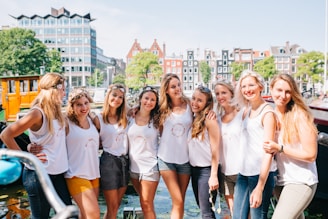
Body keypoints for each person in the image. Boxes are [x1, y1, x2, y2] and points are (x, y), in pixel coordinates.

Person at [0, 73, 72, 219]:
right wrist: (26, 158)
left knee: (69, 215)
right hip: (38, 175)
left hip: (57, 174)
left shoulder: (57, 111)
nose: (64, 93)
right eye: (63, 89)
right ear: (54, 90)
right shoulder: (37, 113)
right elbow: (6, 135)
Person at [263, 74, 318, 219]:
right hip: (280, 182)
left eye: (288, 91)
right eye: (279, 90)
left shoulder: (300, 116)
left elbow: (311, 155)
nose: (283, 95)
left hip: (301, 181)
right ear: (271, 89)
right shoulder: (270, 115)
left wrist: (280, 148)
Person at [232, 70, 277, 219]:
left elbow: (268, 151)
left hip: (260, 174)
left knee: (258, 216)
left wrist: (260, 186)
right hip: (244, 173)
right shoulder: (247, 110)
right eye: (243, 86)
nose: (247, 89)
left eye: (251, 85)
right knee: (238, 216)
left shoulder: (268, 113)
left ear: (260, 87)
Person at [157, 73, 194, 219]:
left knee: (180, 201)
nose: (177, 88)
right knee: (177, 199)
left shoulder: (190, 104)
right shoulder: (161, 108)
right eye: (173, 87)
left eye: (179, 85)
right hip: (166, 159)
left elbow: (205, 109)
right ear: (166, 90)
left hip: (185, 160)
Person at [92, 83, 129, 219]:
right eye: (114, 95)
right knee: (112, 206)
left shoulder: (125, 117)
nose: (117, 99)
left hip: (125, 162)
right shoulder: (98, 118)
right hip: (109, 162)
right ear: (108, 96)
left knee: (116, 206)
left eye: (121, 97)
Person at [64, 88, 100, 219]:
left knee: (85, 215)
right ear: (72, 106)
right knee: (94, 214)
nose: (84, 107)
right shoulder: (66, 122)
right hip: (76, 174)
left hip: (93, 173)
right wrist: (29, 145)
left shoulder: (92, 120)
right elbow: (50, 140)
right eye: (79, 104)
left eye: (86, 103)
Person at [188, 85, 221, 218]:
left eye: (199, 100)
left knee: (207, 212)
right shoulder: (194, 117)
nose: (195, 103)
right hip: (194, 170)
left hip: (207, 171)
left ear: (207, 103)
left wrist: (213, 176)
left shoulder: (210, 120)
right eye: (193, 98)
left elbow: (215, 149)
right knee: (202, 208)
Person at [127, 85, 160, 219]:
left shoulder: (157, 120)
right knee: (144, 203)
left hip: (150, 167)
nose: (149, 102)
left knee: (146, 204)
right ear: (140, 99)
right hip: (133, 168)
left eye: (153, 100)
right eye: (146, 98)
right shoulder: (130, 117)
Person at [214, 80, 243, 217]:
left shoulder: (243, 114)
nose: (220, 97)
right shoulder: (217, 119)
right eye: (217, 94)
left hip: (243, 172)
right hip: (225, 172)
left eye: (224, 93)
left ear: (232, 94)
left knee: (245, 213)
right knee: (232, 212)